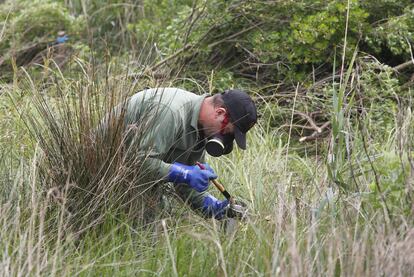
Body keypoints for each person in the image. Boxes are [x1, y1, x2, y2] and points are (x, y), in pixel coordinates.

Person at [103, 87, 257, 220]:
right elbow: (138, 162)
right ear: (219, 113)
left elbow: (185, 186)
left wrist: (216, 207)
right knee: (152, 220)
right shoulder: (171, 111)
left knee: (159, 217)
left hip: (129, 179)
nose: (224, 140)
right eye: (227, 133)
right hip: (103, 173)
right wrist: (184, 173)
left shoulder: (201, 128)